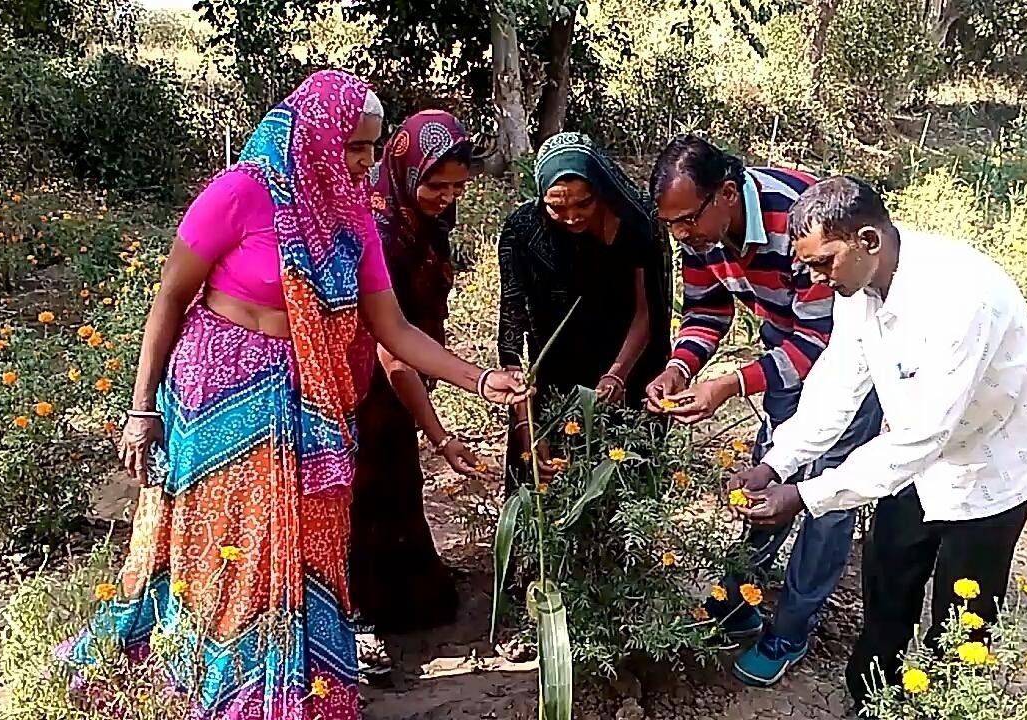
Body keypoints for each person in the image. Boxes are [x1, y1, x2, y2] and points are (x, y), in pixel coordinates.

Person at [55, 71, 528, 720]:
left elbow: (390, 327)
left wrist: (477, 378)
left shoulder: (351, 218)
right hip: (217, 395)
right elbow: (169, 298)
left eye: (372, 148)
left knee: (303, 550)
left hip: (306, 402)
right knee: (232, 547)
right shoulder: (240, 195)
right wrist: (141, 411)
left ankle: (286, 692)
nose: (365, 163)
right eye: (353, 147)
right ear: (313, 137)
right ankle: (216, 681)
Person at [731, 176, 1027, 715]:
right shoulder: (858, 288)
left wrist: (804, 496)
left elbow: (924, 433)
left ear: (868, 240)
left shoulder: (960, 297)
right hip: (911, 461)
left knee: (962, 617)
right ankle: (870, 703)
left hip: (990, 464)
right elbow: (837, 388)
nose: (813, 278)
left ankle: (939, 708)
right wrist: (777, 462)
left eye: (823, 262)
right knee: (887, 585)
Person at [647, 135, 883, 686]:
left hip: (848, 357)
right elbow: (706, 308)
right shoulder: (702, 227)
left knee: (827, 496)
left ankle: (792, 628)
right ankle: (738, 595)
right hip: (785, 349)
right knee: (767, 475)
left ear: (727, 194)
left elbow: (822, 338)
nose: (683, 237)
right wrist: (681, 368)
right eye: (673, 227)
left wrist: (731, 384)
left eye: (688, 223)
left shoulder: (800, 226)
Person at [349, 111, 476, 645]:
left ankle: (395, 607)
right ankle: (361, 618)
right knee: (371, 489)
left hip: (404, 382)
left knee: (397, 485)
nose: (445, 196)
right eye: (434, 183)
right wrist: (441, 434)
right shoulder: (381, 232)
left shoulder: (419, 222)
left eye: (456, 186)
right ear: (404, 170)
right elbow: (391, 349)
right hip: (366, 388)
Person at [497, 131, 672, 489]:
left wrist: (616, 376)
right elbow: (511, 328)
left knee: (623, 488)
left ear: (601, 190)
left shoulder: (638, 223)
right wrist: (525, 421)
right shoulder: (523, 232)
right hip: (556, 372)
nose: (572, 217)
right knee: (547, 490)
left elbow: (646, 313)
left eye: (584, 204)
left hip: (630, 367)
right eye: (556, 207)